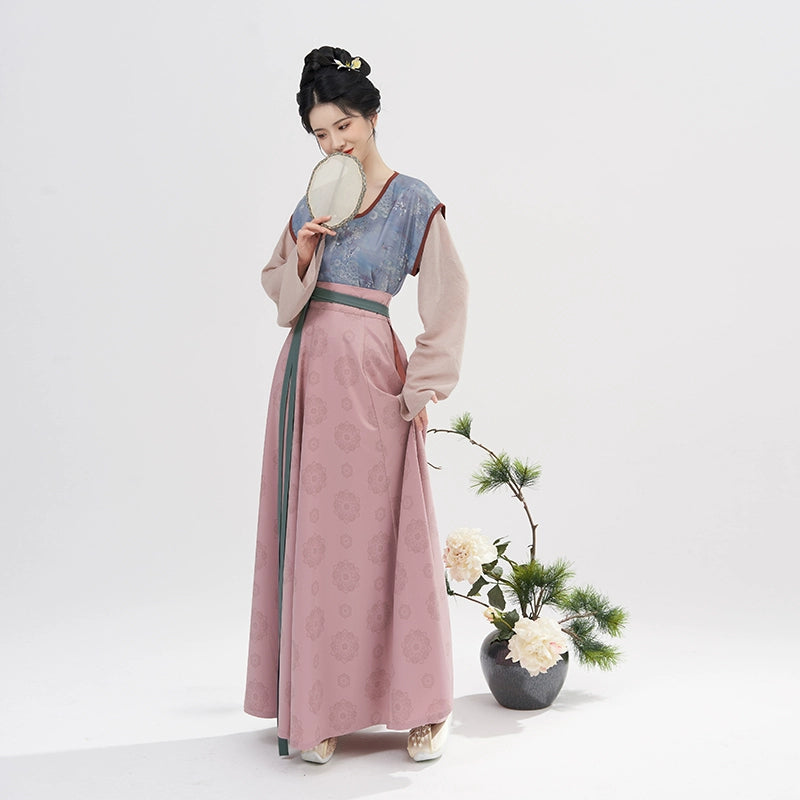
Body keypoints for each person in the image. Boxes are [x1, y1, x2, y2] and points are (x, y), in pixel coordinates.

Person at [244, 45, 468, 764]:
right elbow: (279, 290)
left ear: (371, 117)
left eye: (343, 125)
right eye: (320, 133)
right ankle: (321, 706)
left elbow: (449, 299)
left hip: (373, 383)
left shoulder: (413, 200)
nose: (334, 142)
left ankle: (423, 707)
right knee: (318, 543)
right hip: (306, 377)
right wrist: (306, 253)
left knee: (386, 539)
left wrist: (420, 386)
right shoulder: (315, 200)